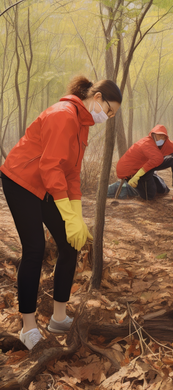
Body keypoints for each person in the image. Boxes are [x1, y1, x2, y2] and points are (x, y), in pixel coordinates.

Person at [0, 76, 122, 350]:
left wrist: (75, 216)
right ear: (98, 97)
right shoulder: (63, 115)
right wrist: (67, 215)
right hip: (20, 180)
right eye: (109, 110)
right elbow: (51, 168)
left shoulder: (82, 124)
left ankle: (58, 317)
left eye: (112, 115)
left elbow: (72, 173)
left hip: (44, 183)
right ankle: (28, 328)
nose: (108, 116)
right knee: (35, 248)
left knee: (69, 244)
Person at [116, 125, 173, 202]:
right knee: (149, 196)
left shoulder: (164, 142)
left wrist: (168, 142)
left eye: (163, 137)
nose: (161, 139)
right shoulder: (146, 143)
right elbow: (157, 158)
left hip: (146, 167)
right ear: (153, 135)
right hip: (133, 173)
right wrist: (137, 176)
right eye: (159, 136)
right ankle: (128, 187)